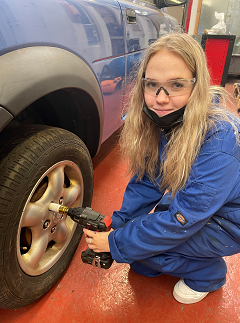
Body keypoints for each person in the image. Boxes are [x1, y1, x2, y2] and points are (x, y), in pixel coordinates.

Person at [83, 33, 240, 304]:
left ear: (197, 85)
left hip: (229, 222)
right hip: (199, 204)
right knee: (140, 262)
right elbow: (147, 180)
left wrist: (115, 243)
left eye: (176, 85)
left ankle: (209, 274)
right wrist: (118, 225)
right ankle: (171, 257)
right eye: (152, 84)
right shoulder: (167, 121)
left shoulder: (220, 140)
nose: (160, 99)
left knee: (143, 251)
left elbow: (185, 219)